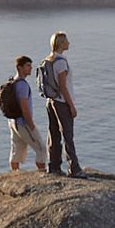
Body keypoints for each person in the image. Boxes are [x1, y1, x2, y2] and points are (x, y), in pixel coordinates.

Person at [39, 31, 82, 177]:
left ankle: (54, 166)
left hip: (51, 101)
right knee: (68, 135)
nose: (69, 43)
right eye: (66, 41)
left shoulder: (48, 59)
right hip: (62, 102)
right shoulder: (61, 62)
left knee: (53, 133)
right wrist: (71, 105)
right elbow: (63, 86)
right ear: (61, 43)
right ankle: (74, 168)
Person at [7, 55, 48, 172]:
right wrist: (31, 125)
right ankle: (42, 175)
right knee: (41, 148)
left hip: (12, 122)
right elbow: (24, 108)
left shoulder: (12, 82)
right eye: (28, 66)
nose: (30, 68)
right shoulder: (23, 85)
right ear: (19, 67)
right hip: (23, 123)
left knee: (16, 150)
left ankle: (14, 175)